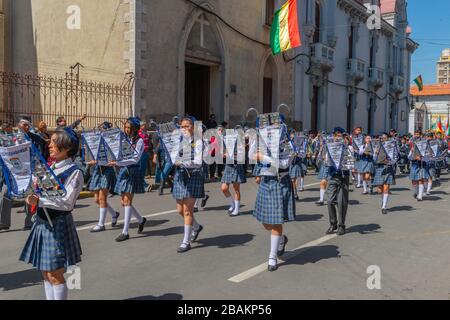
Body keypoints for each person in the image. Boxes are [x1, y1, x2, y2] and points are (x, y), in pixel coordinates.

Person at [19, 127, 84, 300]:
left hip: (57, 224)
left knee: (55, 274)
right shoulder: (49, 167)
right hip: (42, 222)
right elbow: (38, 189)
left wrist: (40, 201)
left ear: (66, 147)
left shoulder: (74, 172)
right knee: (45, 272)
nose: (49, 145)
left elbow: (67, 203)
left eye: (54, 142)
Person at [252, 123, 296, 272]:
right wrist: (256, 140)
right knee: (266, 222)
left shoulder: (288, 144)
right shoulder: (263, 140)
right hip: (266, 182)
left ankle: (272, 256)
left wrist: (263, 157)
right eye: (271, 127)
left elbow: (283, 164)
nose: (273, 129)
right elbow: (252, 155)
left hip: (280, 182)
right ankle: (281, 239)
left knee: (276, 221)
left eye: (277, 127)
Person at [110, 117, 147, 242]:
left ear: (135, 129)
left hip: (132, 171)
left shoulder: (140, 141)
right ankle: (141, 220)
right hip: (123, 170)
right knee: (124, 202)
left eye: (129, 127)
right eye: (125, 127)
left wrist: (118, 163)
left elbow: (135, 159)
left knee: (127, 201)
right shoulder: (124, 139)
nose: (126, 129)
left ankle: (125, 232)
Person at [172, 117, 205, 253]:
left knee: (187, 210)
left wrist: (183, 162)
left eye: (187, 126)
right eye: (182, 126)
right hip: (180, 175)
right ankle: (196, 227)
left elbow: (198, 161)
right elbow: (173, 156)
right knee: (180, 210)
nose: (184, 129)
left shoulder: (198, 141)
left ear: (193, 127)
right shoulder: (178, 141)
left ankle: (186, 241)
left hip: (194, 175)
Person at [88, 122, 120, 233]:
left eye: (103, 130)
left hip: (107, 170)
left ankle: (101, 224)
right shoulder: (97, 142)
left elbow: (115, 158)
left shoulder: (112, 142)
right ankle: (114, 214)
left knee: (102, 198)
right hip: (98, 169)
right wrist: (93, 161)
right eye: (100, 130)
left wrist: (113, 162)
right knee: (97, 199)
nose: (101, 132)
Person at [325, 127, 351, 236]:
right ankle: (333, 223)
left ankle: (341, 225)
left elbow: (350, 162)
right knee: (330, 200)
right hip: (333, 176)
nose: (338, 138)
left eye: (340, 136)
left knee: (342, 202)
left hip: (344, 176)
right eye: (337, 136)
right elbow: (326, 161)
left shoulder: (348, 148)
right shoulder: (329, 147)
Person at [372, 133, 397, 215]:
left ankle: (384, 206)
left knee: (386, 187)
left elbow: (396, 158)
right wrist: (375, 154)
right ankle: (383, 201)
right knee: (380, 189)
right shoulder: (377, 147)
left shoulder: (392, 146)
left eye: (385, 138)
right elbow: (374, 159)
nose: (383, 139)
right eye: (382, 138)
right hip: (379, 167)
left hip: (388, 167)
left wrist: (390, 161)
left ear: (388, 138)